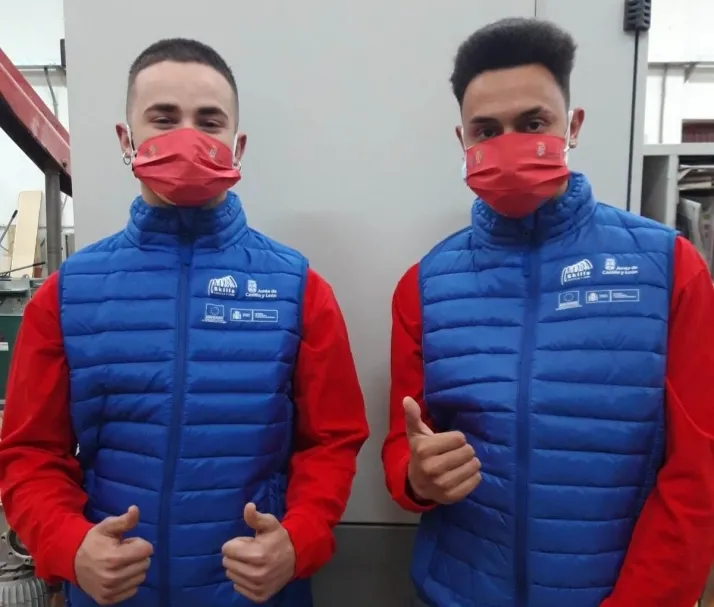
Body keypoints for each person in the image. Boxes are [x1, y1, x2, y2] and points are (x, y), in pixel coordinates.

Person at [0, 38, 369, 607]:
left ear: (237, 146)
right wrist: (69, 546)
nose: (188, 137)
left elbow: (333, 442)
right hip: (112, 596)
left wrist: (299, 540)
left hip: (256, 595)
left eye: (209, 122)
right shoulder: (67, 294)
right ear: (126, 140)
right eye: (164, 119)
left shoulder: (299, 289)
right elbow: (29, 453)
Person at [381, 17, 714, 607]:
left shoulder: (670, 268)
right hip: (455, 591)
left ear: (573, 125)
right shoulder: (424, 285)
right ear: (463, 140)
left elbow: (698, 470)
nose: (509, 144)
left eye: (533, 123)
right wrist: (417, 476)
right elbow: (404, 446)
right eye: (487, 130)